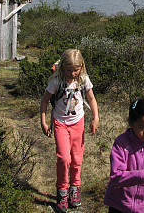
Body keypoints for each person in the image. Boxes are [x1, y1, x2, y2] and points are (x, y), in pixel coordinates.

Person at [40, 48, 99, 213]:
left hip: (78, 123)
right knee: (64, 158)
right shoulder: (56, 82)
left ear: (81, 67)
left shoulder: (83, 79)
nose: (72, 73)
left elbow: (91, 98)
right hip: (61, 123)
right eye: (68, 70)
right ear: (62, 68)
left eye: (76, 69)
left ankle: (75, 189)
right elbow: (44, 101)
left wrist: (96, 117)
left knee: (77, 159)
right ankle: (62, 192)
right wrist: (44, 122)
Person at [104, 98, 144, 213]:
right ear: (131, 123)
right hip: (119, 206)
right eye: (141, 127)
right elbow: (116, 177)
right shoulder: (121, 143)